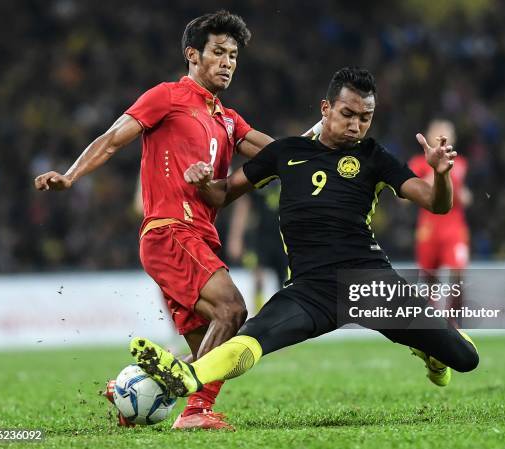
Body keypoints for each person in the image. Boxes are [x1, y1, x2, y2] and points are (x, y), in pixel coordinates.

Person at [128, 67, 479, 408]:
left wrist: (441, 174)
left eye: (365, 117)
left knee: (466, 358)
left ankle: (431, 351)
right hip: (311, 290)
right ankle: (190, 375)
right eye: (347, 114)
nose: (356, 125)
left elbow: (436, 202)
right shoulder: (286, 153)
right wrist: (203, 181)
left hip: (370, 282)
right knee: (254, 337)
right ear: (326, 109)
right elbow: (222, 195)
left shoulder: (374, 156)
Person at [35, 10, 285, 431]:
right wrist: (71, 175)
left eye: (233, 56)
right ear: (193, 55)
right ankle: (194, 413)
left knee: (217, 354)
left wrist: (326, 149)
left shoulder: (228, 118)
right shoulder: (167, 96)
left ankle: (137, 388)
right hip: (170, 232)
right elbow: (113, 138)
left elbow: (277, 152)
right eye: (218, 53)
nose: (227, 62)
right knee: (233, 309)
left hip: (200, 239)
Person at [408, 120, 471, 326]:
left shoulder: (458, 163)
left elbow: (466, 197)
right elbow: (402, 197)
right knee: (428, 281)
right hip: (428, 230)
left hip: (453, 230)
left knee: (458, 274)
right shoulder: (418, 163)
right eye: (439, 132)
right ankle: (431, 324)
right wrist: (433, 173)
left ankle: (455, 322)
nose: (444, 136)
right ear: (429, 135)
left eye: (448, 132)